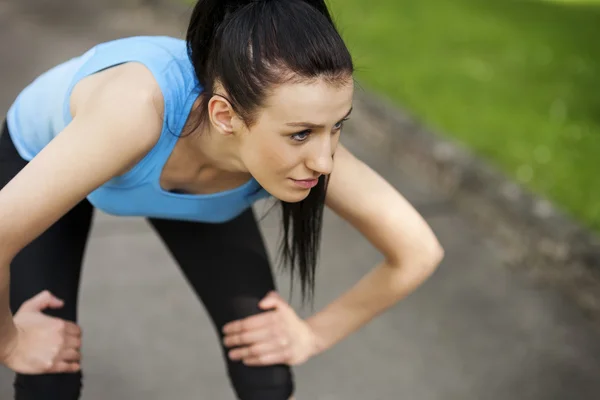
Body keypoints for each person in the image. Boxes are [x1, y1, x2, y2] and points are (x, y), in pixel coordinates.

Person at [0, 0, 444, 399]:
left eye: (337, 126)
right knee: (47, 379)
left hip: (189, 177)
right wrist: (11, 342)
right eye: (301, 133)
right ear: (224, 116)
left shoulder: (302, 148)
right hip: (47, 154)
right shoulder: (134, 111)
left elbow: (417, 252)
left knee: (266, 371)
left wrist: (313, 335)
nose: (325, 162)